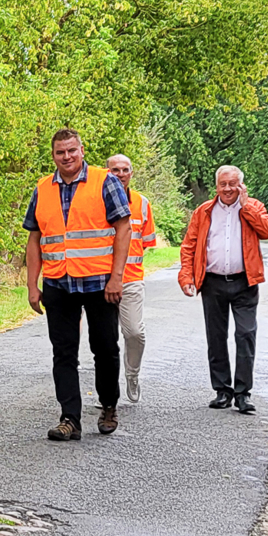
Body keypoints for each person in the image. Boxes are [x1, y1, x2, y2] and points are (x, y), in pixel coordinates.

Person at [25, 128, 132, 440]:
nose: (67, 157)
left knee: (105, 348)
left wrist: (116, 277)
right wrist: (33, 284)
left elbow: (123, 229)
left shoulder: (105, 181)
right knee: (63, 352)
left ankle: (109, 405)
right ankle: (69, 418)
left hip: (100, 282)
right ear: (53, 155)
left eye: (72, 150)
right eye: (60, 152)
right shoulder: (43, 188)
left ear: (82, 150)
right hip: (59, 282)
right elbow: (35, 239)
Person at [178, 165, 268, 415]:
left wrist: (247, 207)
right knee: (216, 337)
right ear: (217, 186)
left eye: (233, 184)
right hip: (212, 282)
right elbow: (189, 246)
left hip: (245, 282)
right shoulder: (204, 212)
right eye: (223, 184)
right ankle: (223, 391)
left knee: (246, 335)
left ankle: (243, 393)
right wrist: (187, 276)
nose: (228, 189)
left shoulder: (253, 206)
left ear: (241, 185)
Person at [107, 154, 159, 403]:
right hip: (101, 280)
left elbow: (146, 242)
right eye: (115, 170)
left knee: (135, 333)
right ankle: (107, 391)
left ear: (131, 173)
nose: (120, 174)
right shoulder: (96, 201)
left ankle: (132, 374)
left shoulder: (141, 203)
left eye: (125, 170)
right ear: (107, 172)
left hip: (131, 280)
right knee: (106, 340)